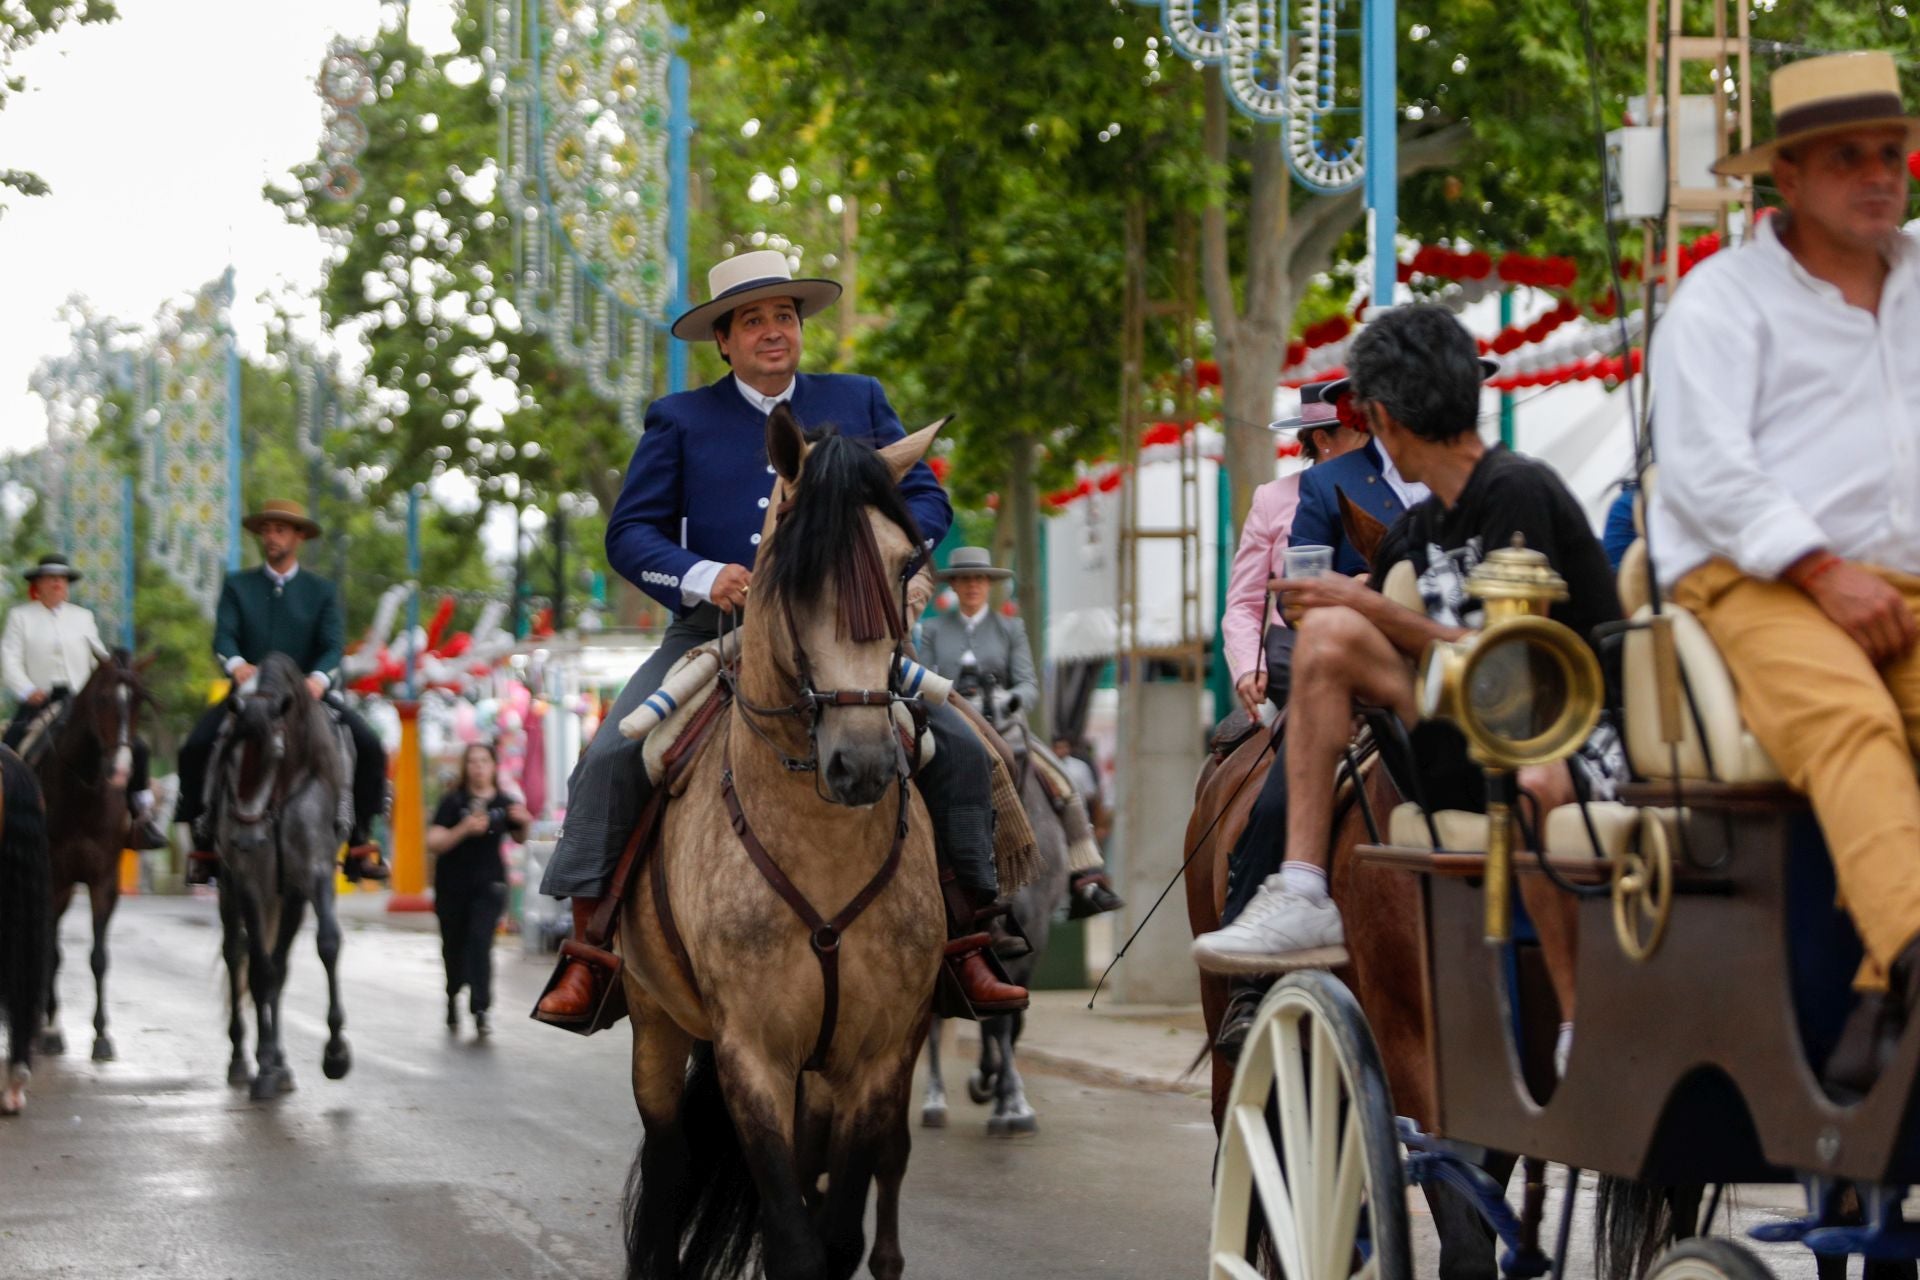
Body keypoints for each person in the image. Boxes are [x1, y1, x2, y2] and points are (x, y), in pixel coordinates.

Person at [534, 249, 1026, 1021]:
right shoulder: (680, 419)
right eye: (754, 320)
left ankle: (967, 943)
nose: (773, 331)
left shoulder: (860, 400)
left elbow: (928, 501)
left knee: (962, 749)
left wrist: (891, 556)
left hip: (846, 630)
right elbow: (630, 535)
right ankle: (590, 953)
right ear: (723, 340)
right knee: (610, 757)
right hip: (714, 628)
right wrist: (705, 576)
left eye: (785, 317)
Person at [1189, 305, 1624, 1008]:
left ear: (1382, 418)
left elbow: (1522, 669)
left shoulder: (1517, 489)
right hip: (1464, 735)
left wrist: (1365, 604)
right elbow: (1368, 616)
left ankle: (1575, 1021)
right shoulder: (1419, 527)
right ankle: (1302, 887)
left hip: (1561, 734)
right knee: (1329, 634)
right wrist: (1334, 605)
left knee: (1535, 779)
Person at [1646, 51, 1920, 1095]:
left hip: (1901, 579)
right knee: (1853, 722)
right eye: (1848, 157)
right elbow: (1707, 467)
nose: (1879, 175)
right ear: (1788, 177)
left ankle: (1879, 991)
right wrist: (1821, 569)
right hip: (1755, 577)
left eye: (1890, 153)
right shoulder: (1723, 298)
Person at [175, 500, 391, 885]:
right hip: (250, 694)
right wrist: (236, 664)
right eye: (266, 530)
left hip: (306, 694)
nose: (271, 537)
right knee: (194, 747)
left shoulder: (321, 591)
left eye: (280, 530)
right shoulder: (238, 586)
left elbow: (332, 645)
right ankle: (204, 843)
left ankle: (360, 842)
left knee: (370, 746)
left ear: (298, 537)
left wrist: (318, 679)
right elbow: (223, 636)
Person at [919, 546, 1122, 918]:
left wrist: (1009, 700)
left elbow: (1028, 684)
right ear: (955, 586)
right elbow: (925, 681)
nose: (972, 586)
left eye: (979, 579)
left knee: (1064, 782)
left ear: (988, 584)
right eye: (965, 579)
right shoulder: (932, 630)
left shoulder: (1011, 629)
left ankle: (1087, 876)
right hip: (952, 724)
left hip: (1004, 724)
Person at [1222, 379, 1371, 719]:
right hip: (1295, 650)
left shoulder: (1385, 490)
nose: (1371, 444)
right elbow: (1244, 601)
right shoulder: (1272, 498)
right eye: (1359, 434)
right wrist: (1248, 667)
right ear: (1322, 440)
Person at [0, 555, 166, 849]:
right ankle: (9, 815)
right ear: (38, 584)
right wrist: (26, 690)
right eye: (51, 578)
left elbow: (98, 660)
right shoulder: (21, 617)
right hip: (39, 699)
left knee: (135, 746)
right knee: (10, 748)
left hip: (80, 702)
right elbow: (9, 658)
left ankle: (140, 816)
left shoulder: (82, 617)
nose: (57, 584)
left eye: (62, 579)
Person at [428, 741, 530, 1037]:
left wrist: (524, 822)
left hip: (489, 886)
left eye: (484, 761)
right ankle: (452, 995)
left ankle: (481, 1007)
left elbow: (521, 836)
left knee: (480, 941)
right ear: (465, 767)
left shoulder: (504, 802)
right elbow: (433, 842)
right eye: (473, 761)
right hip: (452, 887)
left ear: (494, 766)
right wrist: (464, 829)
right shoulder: (453, 801)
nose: (478, 767)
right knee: (453, 946)